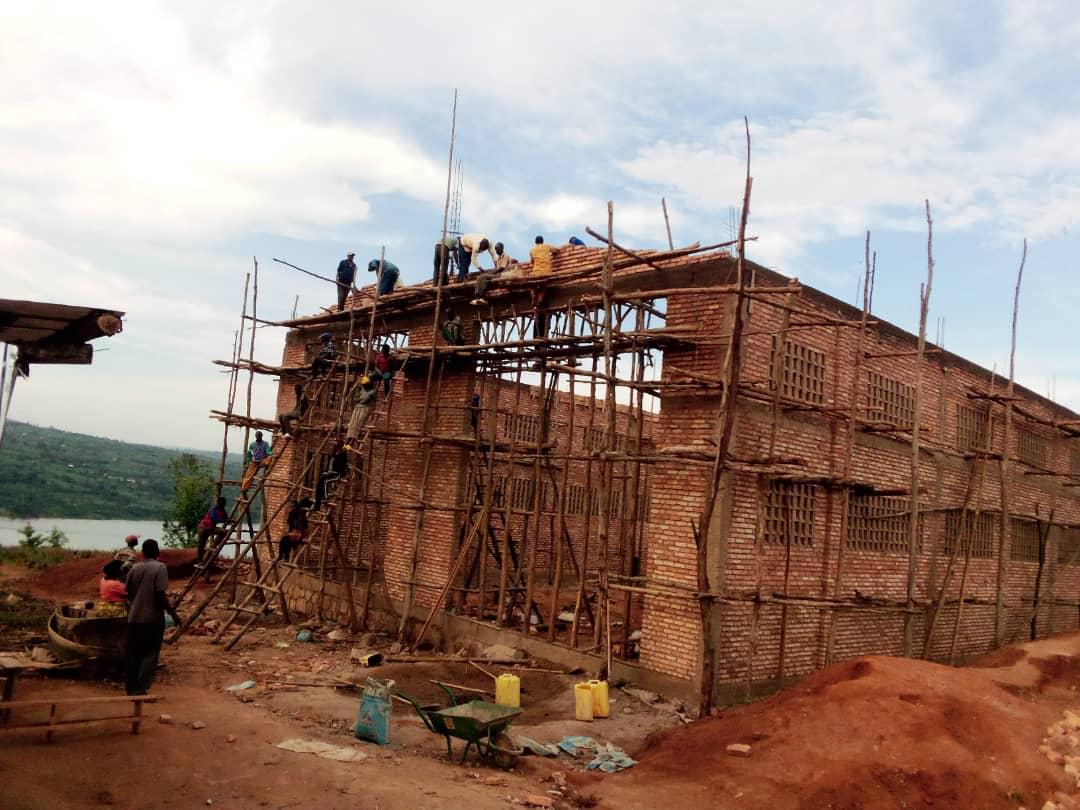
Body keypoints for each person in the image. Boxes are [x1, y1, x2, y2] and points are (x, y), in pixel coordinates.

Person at [124, 539, 180, 696]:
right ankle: (141, 689)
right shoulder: (160, 568)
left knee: (134, 653)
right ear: (157, 553)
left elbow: (127, 593)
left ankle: (130, 688)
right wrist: (173, 614)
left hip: (134, 618)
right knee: (151, 653)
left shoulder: (135, 568)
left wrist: (136, 605)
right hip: (152, 619)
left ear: (142, 553)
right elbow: (160, 594)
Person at [195, 496, 229, 581]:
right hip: (204, 528)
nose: (223, 505)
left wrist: (228, 520)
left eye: (224, 503)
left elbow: (226, 518)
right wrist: (225, 521)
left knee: (224, 532)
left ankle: (215, 544)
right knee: (201, 545)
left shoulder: (222, 510)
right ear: (219, 503)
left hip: (210, 529)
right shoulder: (214, 509)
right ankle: (200, 560)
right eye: (222, 503)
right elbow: (214, 518)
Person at [314, 437, 348, 510]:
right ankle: (317, 503)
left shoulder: (343, 454)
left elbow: (341, 467)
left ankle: (325, 498)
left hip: (338, 473)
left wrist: (331, 472)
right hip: (331, 472)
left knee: (325, 481)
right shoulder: (334, 453)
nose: (334, 445)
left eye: (335, 444)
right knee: (320, 482)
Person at [345, 376, 377, 446]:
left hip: (364, 409)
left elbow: (368, 401)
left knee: (358, 424)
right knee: (352, 424)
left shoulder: (372, 392)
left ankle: (350, 443)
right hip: (357, 408)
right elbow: (356, 399)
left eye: (365, 385)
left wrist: (361, 400)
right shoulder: (362, 390)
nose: (364, 386)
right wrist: (358, 397)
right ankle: (346, 442)